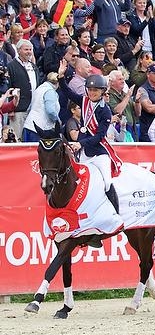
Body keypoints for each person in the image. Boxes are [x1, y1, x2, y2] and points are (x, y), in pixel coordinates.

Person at [58, 66, 122, 246]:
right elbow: (68, 93)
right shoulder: (84, 102)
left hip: (98, 151)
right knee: (80, 185)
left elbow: (100, 136)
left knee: (106, 183)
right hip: (84, 151)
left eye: (96, 90)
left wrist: (81, 143)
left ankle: (115, 216)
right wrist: (62, 77)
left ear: (102, 92)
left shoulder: (105, 110)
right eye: (90, 89)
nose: (92, 93)